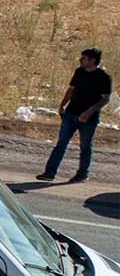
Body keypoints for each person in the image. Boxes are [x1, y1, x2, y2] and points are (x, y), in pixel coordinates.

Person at [38, 47, 111, 183]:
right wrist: (62, 104)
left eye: (84, 58)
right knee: (61, 144)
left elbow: (106, 98)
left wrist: (89, 112)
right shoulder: (79, 72)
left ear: (93, 60)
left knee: (85, 146)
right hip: (70, 114)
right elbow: (71, 89)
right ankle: (49, 173)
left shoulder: (104, 77)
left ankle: (82, 174)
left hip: (89, 119)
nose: (80, 60)